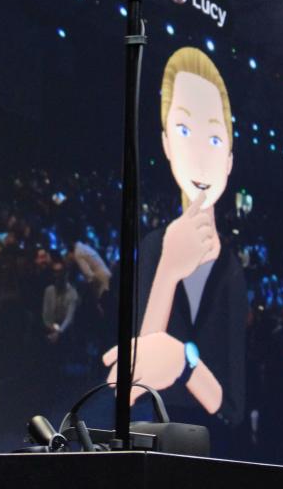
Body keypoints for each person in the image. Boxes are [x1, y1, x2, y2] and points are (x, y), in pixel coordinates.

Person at [103, 47, 246, 436]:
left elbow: (232, 405)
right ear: (166, 142)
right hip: (150, 441)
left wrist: (184, 362)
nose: (201, 156)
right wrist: (167, 270)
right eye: (184, 131)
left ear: (230, 159)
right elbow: (130, 386)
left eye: (215, 139)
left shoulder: (231, 270)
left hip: (213, 453)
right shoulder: (152, 248)